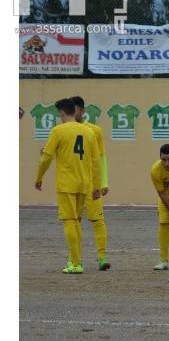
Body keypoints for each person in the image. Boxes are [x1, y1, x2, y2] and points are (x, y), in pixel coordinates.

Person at [34, 98, 101, 274]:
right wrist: (97, 185)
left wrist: (39, 177)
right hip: (84, 183)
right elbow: (96, 161)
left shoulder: (58, 131)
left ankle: (76, 263)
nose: (59, 116)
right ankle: (74, 260)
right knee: (76, 222)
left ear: (63, 112)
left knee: (70, 221)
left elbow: (46, 157)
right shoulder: (89, 132)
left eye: (59, 113)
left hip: (66, 183)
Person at [70, 96, 111, 271]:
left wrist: (103, 181)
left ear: (82, 111)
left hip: (91, 184)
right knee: (74, 221)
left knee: (97, 220)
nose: (74, 113)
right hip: (73, 185)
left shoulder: (95, 130)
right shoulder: (63, 130)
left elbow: (101, 158)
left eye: (76, 110)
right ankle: (74, 259)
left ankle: (102, 257)